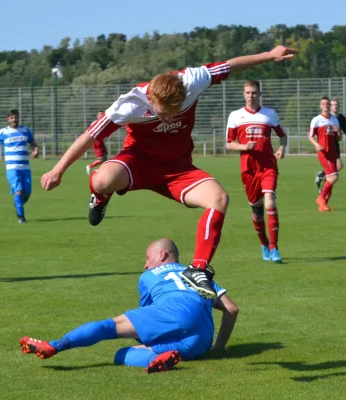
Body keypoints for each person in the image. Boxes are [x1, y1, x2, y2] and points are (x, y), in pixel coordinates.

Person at [40, 46, 297, 299]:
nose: (168, 119)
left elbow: (231, 65)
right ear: (151, 99)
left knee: (219, 198)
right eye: (163, 114)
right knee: (102, 179)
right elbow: (90, 135)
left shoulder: (193, 80)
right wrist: (58, 169)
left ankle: (198, 270)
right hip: (138, 162)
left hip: (177, 169)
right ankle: (100, 197)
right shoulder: (129, 104)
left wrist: (269, 55)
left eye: (175, 113)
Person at [20, 238, 238, 374]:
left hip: (172, 314)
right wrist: (217, 348)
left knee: (109, 328)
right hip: (201, 339)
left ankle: (55, 346)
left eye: (147, 257)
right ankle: (161, 357)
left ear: (162, 255)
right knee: (127, 353)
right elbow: (231, 309)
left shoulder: (149, 275)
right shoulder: (198, 274)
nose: (145, 263)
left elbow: (143, 332)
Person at [226, 80, 287, 263]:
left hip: (268, 166)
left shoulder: (270, 114)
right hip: (248, 169)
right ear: (243, 94)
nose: (251, 96)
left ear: (260, 94)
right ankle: (264, 244)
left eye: (254, 92)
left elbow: (282, 136)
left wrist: (281, 148)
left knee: (269, 202)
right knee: (257, 210)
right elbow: (229, 144)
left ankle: (275, 248)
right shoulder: (236, 116)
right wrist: (244, 146)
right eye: (248, 93)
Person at [0, 110, 38, 223]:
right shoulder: (4, 132)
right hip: (12, 168)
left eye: (16, 117)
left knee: (27, 193)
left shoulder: (26, 131)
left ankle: (18, 204)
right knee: (19, 190)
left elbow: (32, 142)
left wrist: (36, 150)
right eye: (12, 118)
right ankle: (21, 217)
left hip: (25, 168)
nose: (14, 120)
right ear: (8, 119)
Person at [308, 97, 342, 212]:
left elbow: (339, 138)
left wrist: (339, 131)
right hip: (324, 152)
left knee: (330, 179)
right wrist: (316, 144)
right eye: (324, 104)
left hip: (333, 152)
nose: (326, 106)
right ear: (320, 106)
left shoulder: (334, 120)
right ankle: (321, 198)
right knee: (334, 177)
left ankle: (323, 205)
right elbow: (310, 136)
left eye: (328, 104)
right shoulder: (316, 120)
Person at [314, 97, 346, 191]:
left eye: (337, 105)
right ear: (330, 106)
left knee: (336, 168)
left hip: (335, 145)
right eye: (333, 105)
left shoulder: (340, 117)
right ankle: (323, 188)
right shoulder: (326, 117)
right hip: (326, 147)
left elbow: (344, 129)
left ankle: (322, 180)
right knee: (334, 171)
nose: (335, 106)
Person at [86, 111, 108, 175]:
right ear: (97, 115)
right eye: (99, 114)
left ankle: (102, 171)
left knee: (105, 156)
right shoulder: (94, 123)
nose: (101, 115)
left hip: (101, 141)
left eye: (102, 114)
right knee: (101, 159)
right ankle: (90, 166)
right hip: (97, 142)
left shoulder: (104, 122)